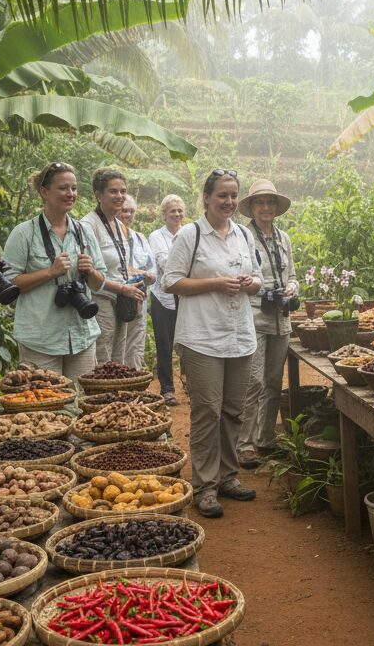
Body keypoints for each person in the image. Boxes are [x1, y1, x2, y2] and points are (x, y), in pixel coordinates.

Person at [162, 169, 262, 518]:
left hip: (239, 335)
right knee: (207, 412)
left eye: (234, 195)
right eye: (222, 195)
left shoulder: (244, 235)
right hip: (202, 337)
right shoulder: (191, 235)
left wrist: (252, 283)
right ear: (206, 197)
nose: (229, 202)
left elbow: (259, 279)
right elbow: (171, 281)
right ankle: (205, 487)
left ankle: (227, 477)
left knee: (234, 411)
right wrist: (216, 282)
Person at [1, 162, 107, 380]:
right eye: (63, 188)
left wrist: (91, 272)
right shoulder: (24, 233)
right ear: (45, 191)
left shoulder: (84, 231)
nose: (70, 193)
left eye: (74, 188)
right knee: (47, 404)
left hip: (81, 335)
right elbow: (8, 283)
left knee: (82, 402)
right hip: (40, 338)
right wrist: (50, 272)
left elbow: (99, 283)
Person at [235, 179, 299, 469]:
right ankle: (244, 445)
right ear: (251, 207)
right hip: (254, 316)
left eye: (270, 202)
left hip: (281, 319)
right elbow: (241, 277)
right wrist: (265, 290)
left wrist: (292, 289)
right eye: (260, 202)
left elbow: (293, 275)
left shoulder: (284, 238)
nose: (265, 207)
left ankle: (266, 438)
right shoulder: (242, 237)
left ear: (276, 207)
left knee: (274, 382)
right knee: (254, 381)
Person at [81, 168, 146, 364]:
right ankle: (101, 394)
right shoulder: (88, 225)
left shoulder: (119, 224)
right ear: (99, 195)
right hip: (101, 300)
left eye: (123, 191)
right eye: (113, 191)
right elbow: (87, 272)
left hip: (122, 299)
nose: (120, 196)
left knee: (119, 356)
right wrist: (122, 288)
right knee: (103, 356)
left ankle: (116, 394)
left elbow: (121, 264)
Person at [147, 195, 187, 406]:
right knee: (164, 344)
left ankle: (190, 384)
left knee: (189, 342)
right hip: (162, 297)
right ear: (164, 214)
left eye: (180, 210)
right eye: (173, 211)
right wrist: (184, 263)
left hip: (185, 297)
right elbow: (164, 263)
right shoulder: (156, 236)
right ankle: (168, 389)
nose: (177, 214)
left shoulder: (188, 233)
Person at [116, 196, 156, 369]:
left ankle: (134, 389)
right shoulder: (106, 239)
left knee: (135, 349)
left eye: (131, 211)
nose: (128, 215)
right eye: (124, 210)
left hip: (138, 303)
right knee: (114, 349)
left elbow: (153, 269)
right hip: (115, 302)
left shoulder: (140, 238)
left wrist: (149, 276)